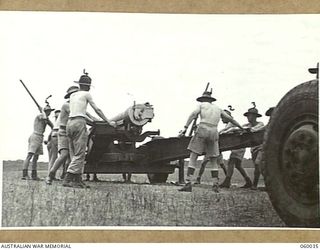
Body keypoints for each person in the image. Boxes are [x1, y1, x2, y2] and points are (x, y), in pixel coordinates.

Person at [178, 85, 244, 192]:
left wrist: (185, 128)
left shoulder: (201, 105)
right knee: (213, 159)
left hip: (203, 128)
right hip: (214, 131)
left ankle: (188, 183)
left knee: (193, 156)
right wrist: (242, 128)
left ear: (203, 99)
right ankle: (215, 184)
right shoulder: (218, 108)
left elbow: (193, 114)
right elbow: (230, 119)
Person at [62, 70, 116, 188]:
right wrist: (108, 122)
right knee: (80, 153)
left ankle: (77, 180)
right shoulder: (86, 95)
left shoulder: (72, 95)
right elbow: (97, 109)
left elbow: (77, 111)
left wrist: (91, 121)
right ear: (88, 86)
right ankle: (68, 178)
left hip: (69, 123)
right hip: (79, 123)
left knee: (73, 153)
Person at [45, 86, 79, 185]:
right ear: (70, 96)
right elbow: (83, 116)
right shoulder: (67, 105)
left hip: (66, 133)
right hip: (61, 132)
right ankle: (50, 175)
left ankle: (67, 177)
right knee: (63, 155)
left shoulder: (76, 106)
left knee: (69, 157)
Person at [194, 108, 235, 184]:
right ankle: (227, 179)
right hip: (217, 146)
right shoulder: (229, 124)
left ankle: (199, 179)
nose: (221, 119)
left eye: (222, 117)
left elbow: (224, 131)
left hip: (215, 147)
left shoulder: (230, 124)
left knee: (206, 163)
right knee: (219, 164)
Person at [22, 105, 54, 180]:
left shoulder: (46, 118)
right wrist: (42, 111)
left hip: (40, 137)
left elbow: (52, 126)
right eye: (48, 111)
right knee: (30, 155)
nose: (49, 113)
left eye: (50, 111)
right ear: (45, 111)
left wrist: (45, 114)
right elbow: (44, 117)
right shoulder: (40, 116)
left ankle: (34, 175)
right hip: (35, 136)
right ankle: (25, 174)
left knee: (36, 157)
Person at [46, 110, 60, 178]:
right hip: (53, 142)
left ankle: (51, 175)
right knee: (53, 158)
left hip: (52, 141)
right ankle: (50, 175)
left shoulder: (55, 125)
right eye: (56, 117)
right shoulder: (57, 125)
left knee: (53, 158)